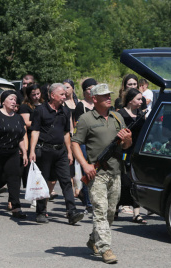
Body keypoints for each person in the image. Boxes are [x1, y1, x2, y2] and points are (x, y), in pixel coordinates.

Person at [71, 83, 132, 264]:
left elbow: (126, 146)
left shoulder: (117, 117)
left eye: (109, 95)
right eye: (104, 96)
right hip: (96, 173)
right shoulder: (85, 119)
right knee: (100, 211)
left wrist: (128, 140)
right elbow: (75, 143)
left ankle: (93, 240)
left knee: (110, 212)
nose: (108, 98)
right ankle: (105, 248)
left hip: (115, 171)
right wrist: (85, 165)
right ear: (94, 99)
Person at [29, 83, 84, 224]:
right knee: (44, 182)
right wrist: (32, 151)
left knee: (66, 181)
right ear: (52, 95)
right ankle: (41, 212)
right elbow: (35, 131)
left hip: (61, 151)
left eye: (65, 94)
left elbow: (67, 133)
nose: (64, 97)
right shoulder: (40, 110)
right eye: (62, 94)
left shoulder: (65, 111)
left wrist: (69, 152)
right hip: (45, 151)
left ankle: (72, 212)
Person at [0, 90, 28, 217]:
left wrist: (24, 152)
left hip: (12, 153)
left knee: (14, 179)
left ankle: (15, 207)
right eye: (11, 99)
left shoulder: (18, 118)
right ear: (3, 102)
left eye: (15, 100)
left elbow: (21, 137)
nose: (14, 102)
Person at [117, 88, 147, 224]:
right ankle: (115, 208)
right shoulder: (120, 114)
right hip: (123, 152)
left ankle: (136, 213)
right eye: (139, 99)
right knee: (122, 179)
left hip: (136, 153)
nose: (142, 101)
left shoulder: (141, 115)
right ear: (130, 100)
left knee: (135, 181)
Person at [73, 78, 98, 213]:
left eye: (94, 88)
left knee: (97, 170)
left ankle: (85, 193)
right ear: (84, 91)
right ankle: (89, 202)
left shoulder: (98, 104)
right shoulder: (80, 106)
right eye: (89, 88)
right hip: (84, 142)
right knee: (87, 171)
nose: (92, 90)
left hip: (97, 142)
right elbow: (77, 125)